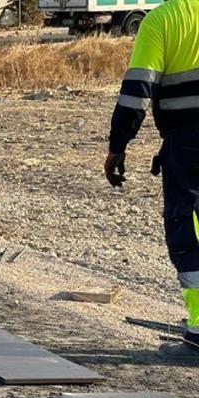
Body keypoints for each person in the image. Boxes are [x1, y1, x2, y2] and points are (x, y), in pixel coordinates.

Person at [105, 0, 199, 346]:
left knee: (188, 229)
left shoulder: (161, 21)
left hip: (189, 143)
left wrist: (118, 145)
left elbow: (137, 92)